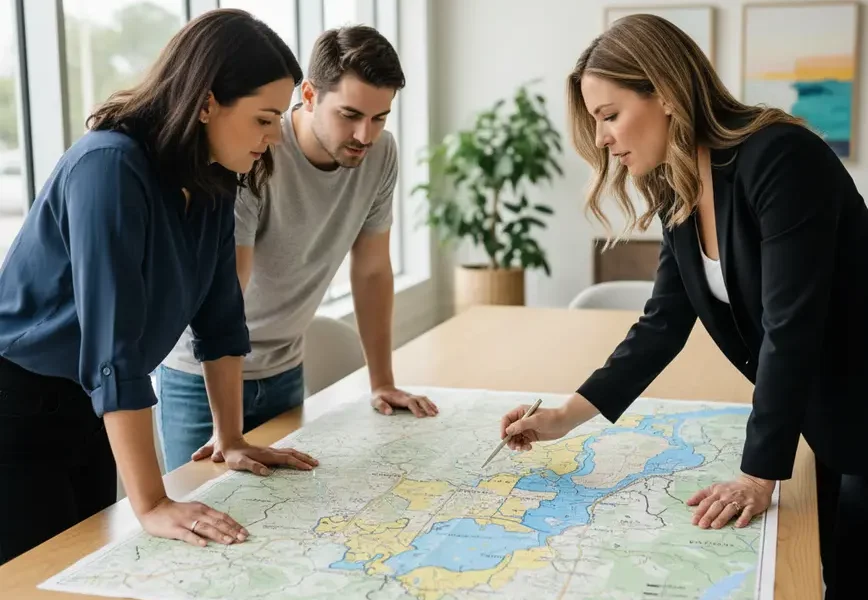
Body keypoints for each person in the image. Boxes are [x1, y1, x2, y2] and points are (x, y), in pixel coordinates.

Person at [499, 14, 867, 599]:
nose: (602, 140)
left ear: (667, 94)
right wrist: (563, 417)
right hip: (824, 418)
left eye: (610, 116)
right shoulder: (681, 187)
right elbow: (662, 324)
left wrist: (757, 472)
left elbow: (790, 327)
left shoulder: (780, 159)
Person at [0, 9, 318, 566]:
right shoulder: (108, 168)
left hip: (90, 405)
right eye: (264, 119)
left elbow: (221, 319)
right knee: (38, 573)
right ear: (205, 102)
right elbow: (113, 348)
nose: (273, 140)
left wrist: (232, 436)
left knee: (88, 565)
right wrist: (150, 503)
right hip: (18, 406)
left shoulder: (216, 177)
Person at [156, 24, 438, 473]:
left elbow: (371, 272)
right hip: (202, 375)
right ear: (308, 95)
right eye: (349, 114)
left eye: (379, 118)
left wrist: (381, 382)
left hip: (285, 366)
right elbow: (226, 294)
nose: (365, 135)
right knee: (207, 514)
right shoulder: (255, 151)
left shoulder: (381, 155)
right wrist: (227, 431)